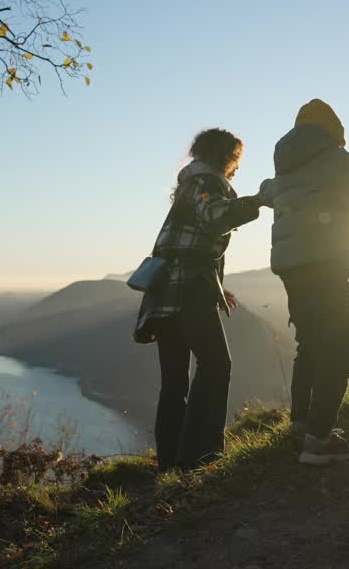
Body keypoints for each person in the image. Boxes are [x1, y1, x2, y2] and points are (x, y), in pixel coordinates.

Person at [258, 100, 349, 464]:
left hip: (291, 269)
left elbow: (266, 191)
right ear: (334, 132)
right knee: (339, 353)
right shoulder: (339, 162)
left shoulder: (284, 169)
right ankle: (320, 439)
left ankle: (301, 424)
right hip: (326, 265)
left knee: (308, 345)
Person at [135, 128, 262, 471]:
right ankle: (201, 456)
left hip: (164, 291)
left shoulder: (189, 185)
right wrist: (255, 203)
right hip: (188, 288)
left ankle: (169, 463)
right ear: (229, 156)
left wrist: (219, 287)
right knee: (217, 365)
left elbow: (188, 243)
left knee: (174, 382)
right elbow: (217, 218)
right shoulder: (209, 182)